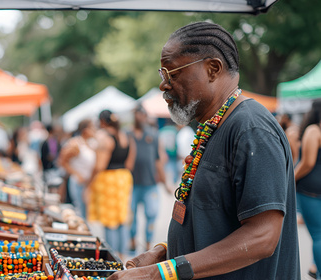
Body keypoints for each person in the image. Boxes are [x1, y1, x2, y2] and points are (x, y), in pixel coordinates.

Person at [108, 22, 299, 280]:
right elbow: (215, 224)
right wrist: (164, 252)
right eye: (162, 75)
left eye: (172, 74)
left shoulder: (251, 129)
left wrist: (160, 273)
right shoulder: (215, 124)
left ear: (212, 69)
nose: (164, 85)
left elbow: (262, 237)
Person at [87, 110, 136, 258]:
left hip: (108, 179)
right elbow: (130, 162)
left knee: (109, 221)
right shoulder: (126, 136)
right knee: (121, 218)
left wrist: (89, 183)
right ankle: (122, 255)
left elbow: (99, 165)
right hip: (123, 177)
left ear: (102, 121)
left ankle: (112, 257)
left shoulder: (105, 138)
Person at [128, 105, 169, 253]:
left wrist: (165, 183)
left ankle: (146, 244)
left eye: (142, 114)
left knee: (151, 214)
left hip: (150, 183)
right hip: (131, 183)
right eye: (137, 114)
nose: (140, 117)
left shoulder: (153, 135)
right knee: (130, 215)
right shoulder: (127, 134)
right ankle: (132, 240)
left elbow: (158, 160)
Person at [295, 99, 321, 280]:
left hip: (310, 190)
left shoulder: (314, 130)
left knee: (318, 236)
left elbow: (308, 163)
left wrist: (289, 178)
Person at [58, 119, 97, 218]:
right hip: (79, 183)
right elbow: (62, 161)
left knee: (88, 214)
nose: (95, 130)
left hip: (88, 183)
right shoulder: (76, 144)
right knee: (81, 213)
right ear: (85, 130)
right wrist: (76, 174)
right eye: (92, 127)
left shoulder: (90, 143)